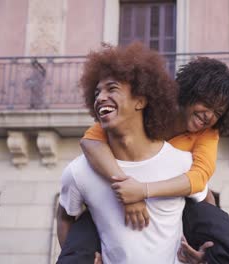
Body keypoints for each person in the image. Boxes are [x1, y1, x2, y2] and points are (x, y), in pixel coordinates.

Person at [67, 55, 229, 263]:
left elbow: (200, 179)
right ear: (191, 92)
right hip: (120, 194)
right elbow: (90, 142)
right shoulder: (150, 109)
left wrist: (143, 190)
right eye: (207, 104)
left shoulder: (208, 133)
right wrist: (127, 189)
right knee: (83, 227)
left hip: (173, 200)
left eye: (217, 113)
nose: (209, 116)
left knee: (215, 219)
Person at [57, 42, 210, 264]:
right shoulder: (78, 172)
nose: (100, 97)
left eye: (112, 88)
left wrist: (203, 248)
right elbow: (64, 217)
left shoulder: (182, 162)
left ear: (140, 100)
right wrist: (80, 256)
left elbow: (207, 199)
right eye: (97, 92)